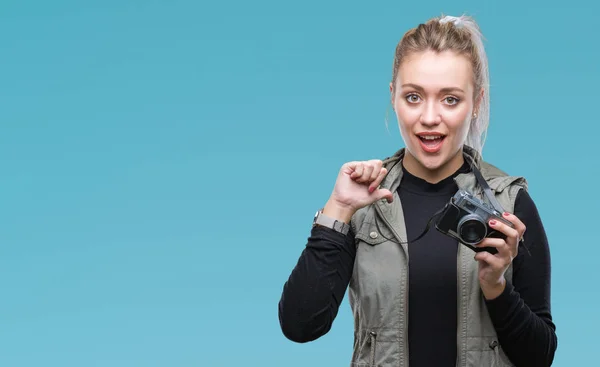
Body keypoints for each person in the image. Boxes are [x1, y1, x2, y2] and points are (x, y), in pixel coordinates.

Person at [277, 14, 558, 367]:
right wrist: (338, 207)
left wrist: (496, 286)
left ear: (477, 103)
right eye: (413, 97)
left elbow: (540, 356)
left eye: (450, 100)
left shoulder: (509, 203)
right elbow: (300, 325)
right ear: (393, 96)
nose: (429, 117)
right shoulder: (363, 204)